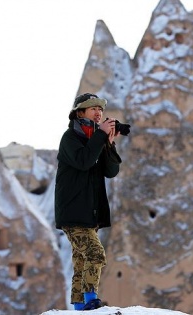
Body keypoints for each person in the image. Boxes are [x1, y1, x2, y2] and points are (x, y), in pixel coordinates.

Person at [54, 93, 122, 310]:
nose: (98, 112)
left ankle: (78, 306)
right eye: (93, 108)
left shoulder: (95, 140)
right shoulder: (70, 138)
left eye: (100, 109)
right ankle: (91, 300)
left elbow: (111, 172)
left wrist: (108, 144)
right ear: (79, 112)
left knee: (82, 261)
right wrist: (100, 137)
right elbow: (84, 161)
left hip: (89, 213)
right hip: (73, 212)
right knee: (95, 253)